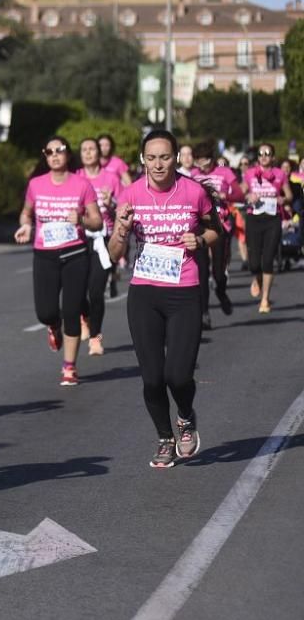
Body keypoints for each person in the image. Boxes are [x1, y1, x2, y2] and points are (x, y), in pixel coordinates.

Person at [109, 130, 220, 469]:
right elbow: (114, 253)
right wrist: (121, 230)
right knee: (153, 377)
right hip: (144, 293)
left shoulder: (194, 192)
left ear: (176, 158)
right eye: (152, 157)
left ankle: (185, 416)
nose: (158, 164)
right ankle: (164, 437)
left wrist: (199, 241)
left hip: (184, 291)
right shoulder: (130, 196)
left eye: (165, 157)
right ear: (143, 159)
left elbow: (216, 230)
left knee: (179, 375)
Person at [16, 136, 103, 385]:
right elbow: (26, 211)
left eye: (59, 150)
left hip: (75, 253)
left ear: (68, 154)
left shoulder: (82, 184)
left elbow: (97, 221)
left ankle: (69, 366)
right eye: (49, 151)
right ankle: (53, 325)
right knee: (46, 312)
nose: (54, 155)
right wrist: (25, 225)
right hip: (45, 254)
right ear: (45, 156)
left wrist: (82, 220)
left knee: (72, 311)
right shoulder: (36, 184)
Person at [76, 138, 122, 356]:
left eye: (91, 149)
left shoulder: (111, 179)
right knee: (77, 290)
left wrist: (112, 203)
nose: (88, 152)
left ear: (99, 153)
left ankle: (95, 336)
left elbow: (124, 211)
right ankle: (84, 316)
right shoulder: (75, 178)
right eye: (84, 149)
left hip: (102, 240)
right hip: (78, 238)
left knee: (96, 291)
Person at [190, 140, 242, 327]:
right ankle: (204, 312)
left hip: (220, 225)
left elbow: (239, 194)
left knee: (218, 273)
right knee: (201, 272)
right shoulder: (193, 175)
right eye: (198, 161)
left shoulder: (224, 172)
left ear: (211, 160)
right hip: (199, 226)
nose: (200, 165)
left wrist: (224, 196)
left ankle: (221, 292)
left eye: (204, 161)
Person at [239, 142, 292, 313]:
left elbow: (289, 194)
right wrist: (248, 196)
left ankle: (265, 299)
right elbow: (241, 192)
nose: (263, 156)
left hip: (272, 219)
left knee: (268, 259)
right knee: (254, 263)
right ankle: (258, 278)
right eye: (261, 153)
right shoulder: (249, 174)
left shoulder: (280, 174)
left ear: (273, 157)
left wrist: (284, 200)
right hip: (254, 219)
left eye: (267, 153)